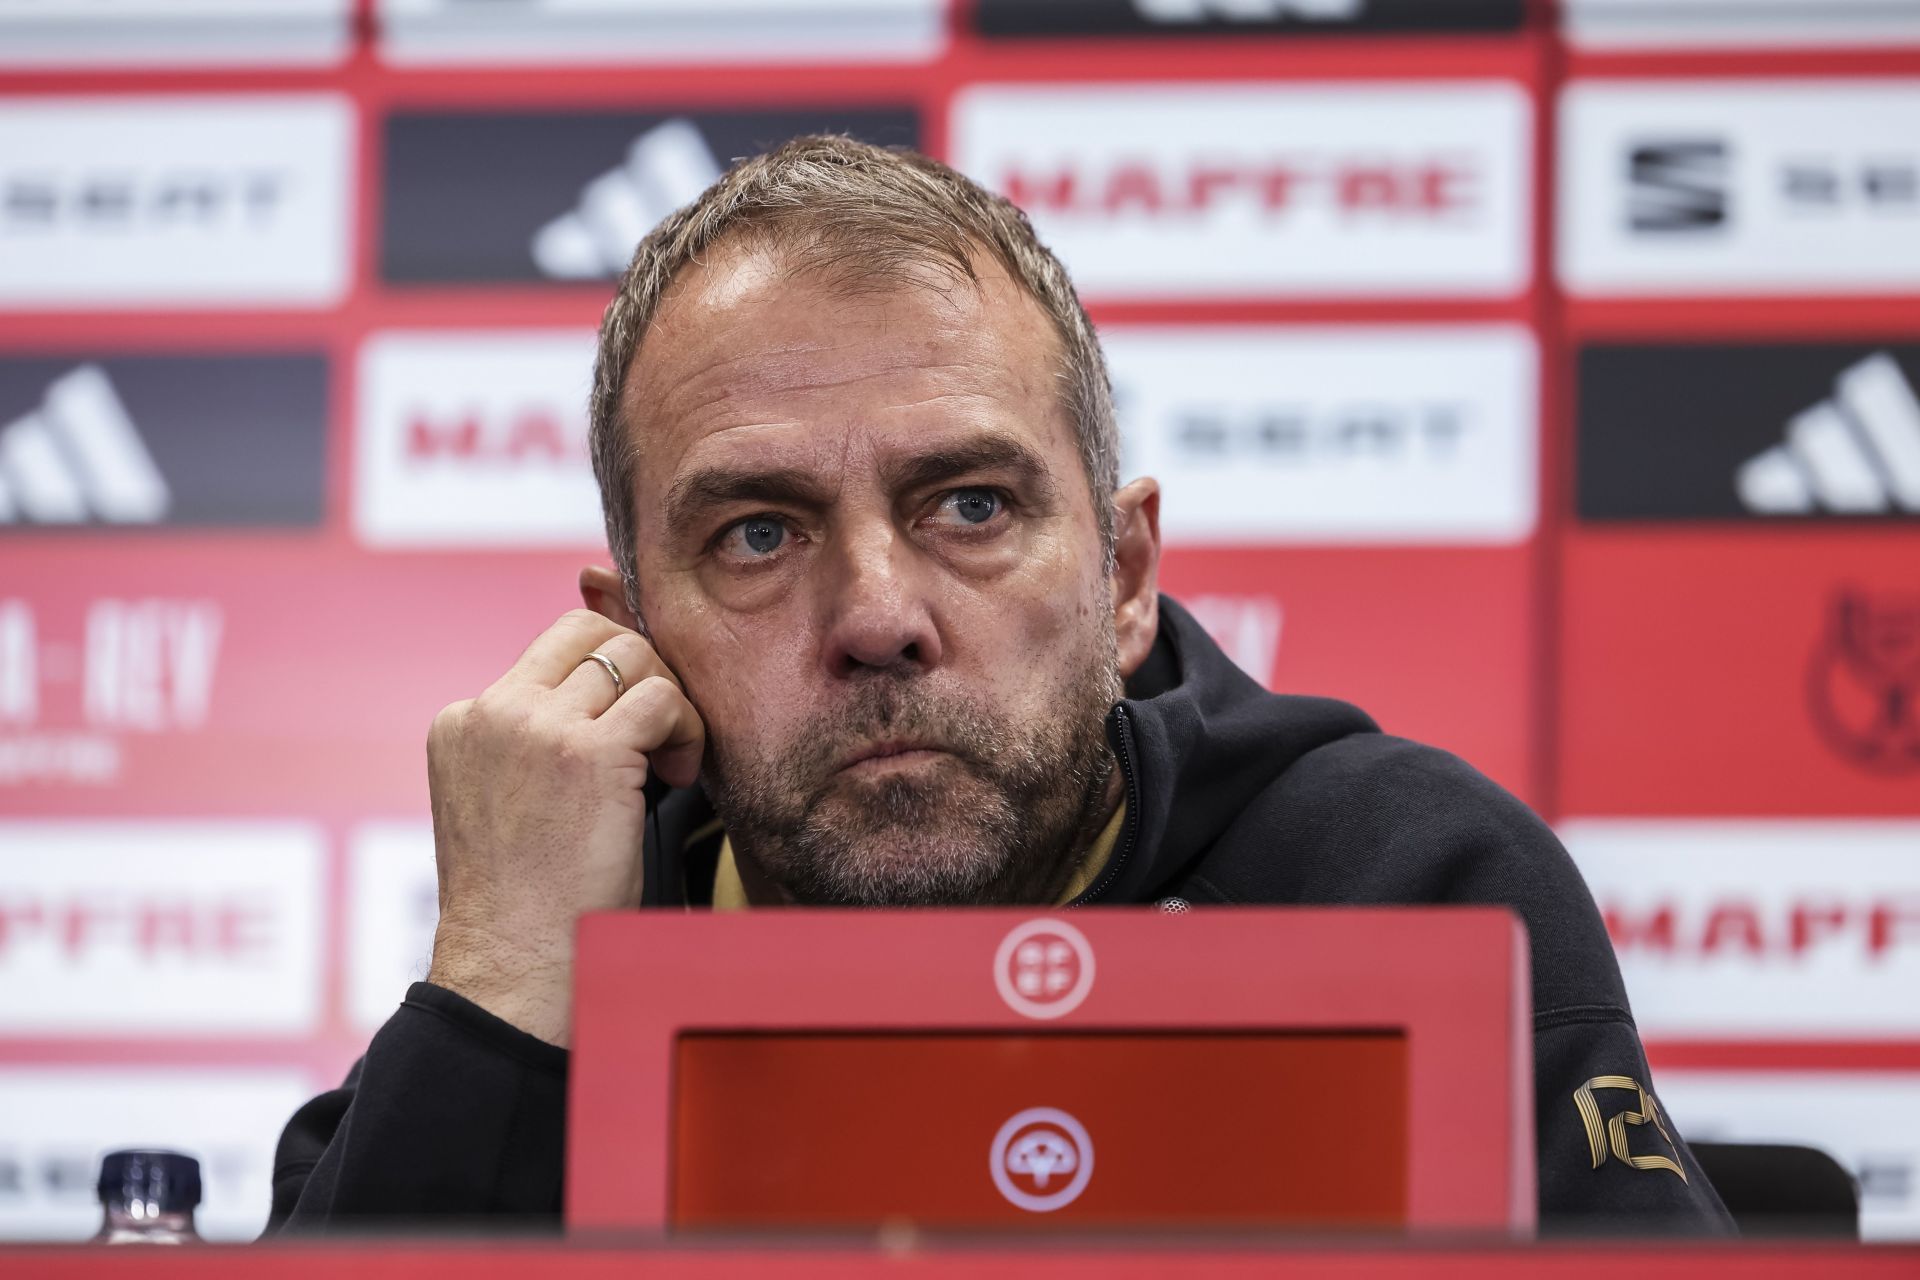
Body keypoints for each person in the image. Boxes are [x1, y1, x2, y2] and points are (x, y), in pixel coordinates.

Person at [267, 137, 1732, 1234]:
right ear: (630, 636)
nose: (880, 617)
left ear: (1122, 573)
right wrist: (506, 993)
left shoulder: (1405, 875)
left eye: (969, 505)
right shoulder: (543, 957)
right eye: (758, 535)